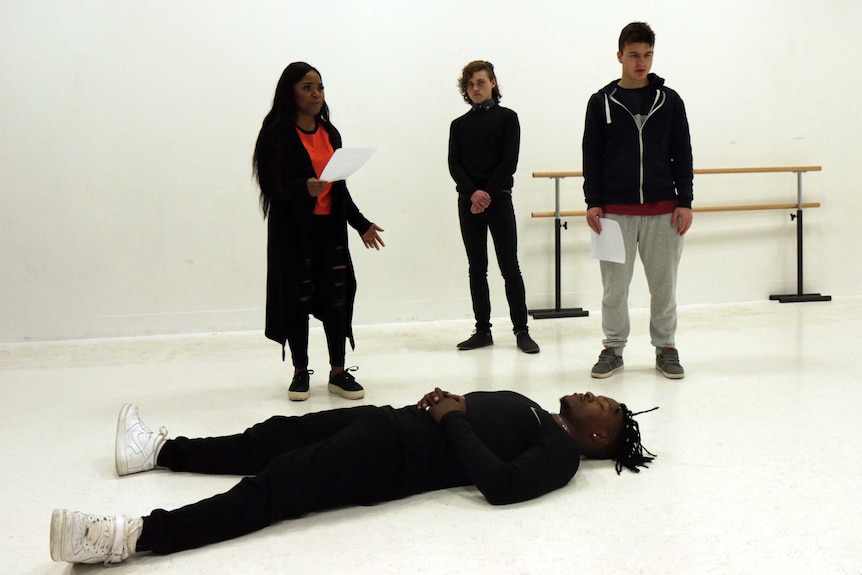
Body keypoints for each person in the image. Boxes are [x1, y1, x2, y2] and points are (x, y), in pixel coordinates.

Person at [50, 390, 656, 564]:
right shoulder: (540, 413)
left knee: (274, 486)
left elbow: (499, 485)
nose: (592, 394)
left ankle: (126, 538)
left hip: (390, 461)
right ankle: (157, 452)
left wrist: (451, 421)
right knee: (270, 438)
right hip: (388, 423)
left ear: (600, 436)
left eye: (602, 405)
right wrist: (447, 408)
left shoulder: (562, 454)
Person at [253, 62, 385, 401]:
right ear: (290, 92)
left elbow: (338, 189)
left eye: (320, 87)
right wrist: (302, 188)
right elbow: (271, 186)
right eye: (307, 87)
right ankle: (300, 372)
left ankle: (338, 373)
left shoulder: (331, 133)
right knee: (297, 301)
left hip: (330, 231)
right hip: (293, 235)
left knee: (336, 300)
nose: (316, 94)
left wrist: (361, 224)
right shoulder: (276, 134)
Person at [582, 22, 693, 380]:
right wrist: (593, 201)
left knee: (664, 287)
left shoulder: (670, 100)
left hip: (664, 212)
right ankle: (613, 349)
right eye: (633, 55)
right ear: (620, 56)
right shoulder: (600, 102)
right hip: (614, 213)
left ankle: (666, 348)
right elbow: (591, 155)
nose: (640, 61)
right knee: (615, 288)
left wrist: (685, 201)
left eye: (646, 54)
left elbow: (682, 153)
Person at [448, 60, 539, 354]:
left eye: (481, 82)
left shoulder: (508, 119)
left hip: (498, 200)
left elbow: (508, 161)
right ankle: (483, 330)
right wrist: (473, 194)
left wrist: (485, 193)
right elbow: (455, 164)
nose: (476, 88)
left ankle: (521, 330)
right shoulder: (458, 125)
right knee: (477, 268)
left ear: (493, 83)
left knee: (509, 267)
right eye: (471, 84)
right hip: (469, 203)